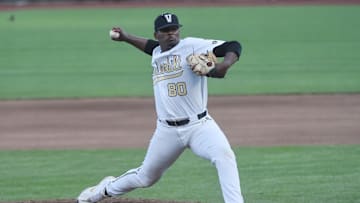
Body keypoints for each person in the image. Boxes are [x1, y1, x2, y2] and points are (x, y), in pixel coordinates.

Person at [77, 12, 244, 203]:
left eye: (174, 29)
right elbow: (149, 46)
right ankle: (102, 191)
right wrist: (126, 37)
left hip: (200, 126)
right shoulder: (157, 51)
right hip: (167, 131)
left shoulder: (191, 46)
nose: (171, 33)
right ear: (157, 34)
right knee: (145, 178)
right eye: (165, 31)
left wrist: (225, 65)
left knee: (224, 157)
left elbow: (233, 45)